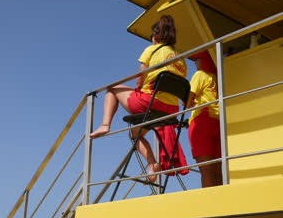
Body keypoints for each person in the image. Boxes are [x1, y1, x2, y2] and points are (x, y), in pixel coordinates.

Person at [89, 15, 187, 182]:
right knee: (135, 133)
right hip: (171, 111)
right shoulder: (180, 58)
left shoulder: (152, 50)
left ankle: (105, 125)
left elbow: (140, 78)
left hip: (150, 103)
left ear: (155, 37)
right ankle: (153, 166)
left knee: (112, 89)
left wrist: (137, 90)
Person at [187, 50, 223, 188]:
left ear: (202, 61)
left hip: (202, 121)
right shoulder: (217, 77)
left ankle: (211, 207)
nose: (195, 63)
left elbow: (187, 102)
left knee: (206, 170)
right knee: (218, 170)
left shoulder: (200, 75)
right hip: (217, 123)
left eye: (196, 60)